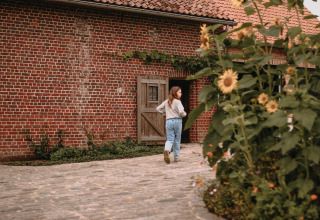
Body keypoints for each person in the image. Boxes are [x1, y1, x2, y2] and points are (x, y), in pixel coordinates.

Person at [156, 86, 187, 164]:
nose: (181, 94)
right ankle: (176, 157)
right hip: (177, 121)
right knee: (177, 140)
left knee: (170, 139)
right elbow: (181, 112)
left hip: (168, 121)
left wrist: (164, 113)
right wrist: (184, 114)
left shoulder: (167, 101)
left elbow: (158, 109)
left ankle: (167, 150)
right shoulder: (178, 102)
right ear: (175, 93)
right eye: (179, 92)